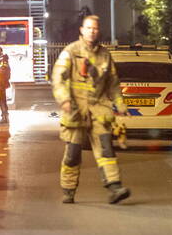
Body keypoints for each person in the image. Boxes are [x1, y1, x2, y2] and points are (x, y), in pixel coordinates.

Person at [51, 15, 131, 205]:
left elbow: (113, 83)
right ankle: (69, 190)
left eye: (95, 28)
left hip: (99, 110)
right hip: (75, 110)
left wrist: (120, 104)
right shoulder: (70, 52)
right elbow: (58, 78)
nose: (92, 31)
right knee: (73, 154)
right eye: (88, 28)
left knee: (106, 149)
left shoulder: (105, 55)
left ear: (99, 30)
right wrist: (64, 100)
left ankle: (114, 187)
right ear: (81, 30)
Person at [0, 51, 11, 123]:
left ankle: (4, 117)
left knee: (2, 100)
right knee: (2, 100)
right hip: (1, 82)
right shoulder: (1, 59)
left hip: (1, 82)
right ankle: (5, 117)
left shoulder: (2, 60)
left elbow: (3, 70)